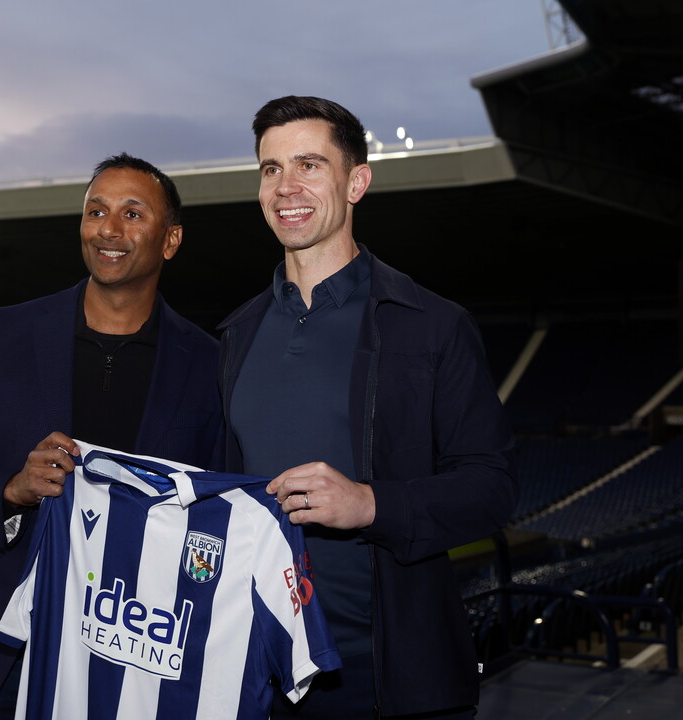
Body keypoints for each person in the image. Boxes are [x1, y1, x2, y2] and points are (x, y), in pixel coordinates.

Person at [217, 96, 517, 719]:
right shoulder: (235, 335)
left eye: (308, 165)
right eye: (271, 169)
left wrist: (370, 504)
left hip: (389, 677)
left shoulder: (432, 325)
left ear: (356, 181)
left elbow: (491, 487)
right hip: (259, 673)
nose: (285, 187)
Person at [0, 152, 224, 718]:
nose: (109, 229)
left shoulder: (209, 364)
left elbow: (214, 517)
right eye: (96, 211)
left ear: (171, 239)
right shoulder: (3, 333)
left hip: (130, 655)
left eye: (133, 214)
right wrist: (12, 489)